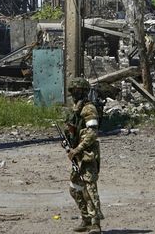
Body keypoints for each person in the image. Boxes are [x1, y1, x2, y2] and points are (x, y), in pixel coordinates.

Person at [64, 77, 103, 233]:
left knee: (90, 188)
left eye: (79, 90)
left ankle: (95, 223)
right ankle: (86, 219)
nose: (76, 93)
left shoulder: (89, 109)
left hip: (88, 154)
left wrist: (78, 149)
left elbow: (92, 133)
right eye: (74, 90)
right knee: (75, 188)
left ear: (85, 91)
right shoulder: (74, 110)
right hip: (77, 155)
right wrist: (68, 144)